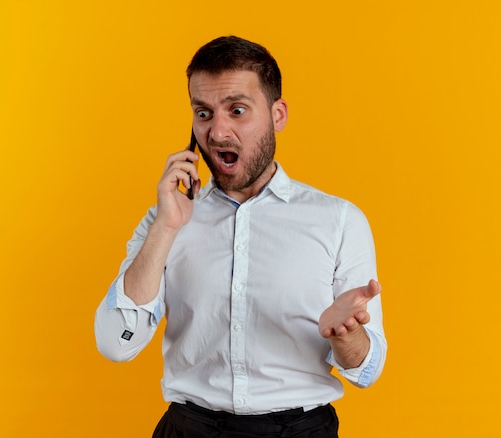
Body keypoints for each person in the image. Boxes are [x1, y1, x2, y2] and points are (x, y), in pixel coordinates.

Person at [94, 35, 387, 437]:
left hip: (298, 430)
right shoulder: (166, 219)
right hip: (190, 428)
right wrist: (166, 228)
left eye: (237, 110)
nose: (217, 131)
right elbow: (116, 344)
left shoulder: (338, 220)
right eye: (203, 113)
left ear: (277, 115)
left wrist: (347, 333)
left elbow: (366, 370)